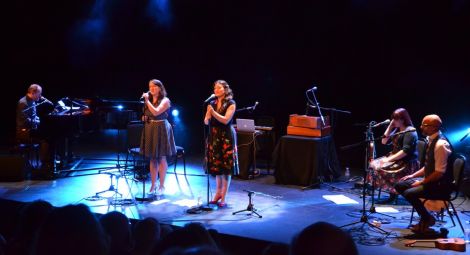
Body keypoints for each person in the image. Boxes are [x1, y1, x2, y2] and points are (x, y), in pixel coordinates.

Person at [395, 114, 454, 233]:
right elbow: (428, 166)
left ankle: (426, 219)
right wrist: (412, 176)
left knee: (409, 193)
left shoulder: (440, 145)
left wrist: (421, 182)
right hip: (432, 181)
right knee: (399, 185)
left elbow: (439, 173)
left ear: (434, 127)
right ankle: (426, 217)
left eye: (424, 125)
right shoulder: (431, 140)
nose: (421, 127)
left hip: (441, 186)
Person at [369, 108, 419, 204]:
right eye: (393, 119)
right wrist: (390, 127)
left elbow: (405, 152)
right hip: (396, 159)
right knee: (373, 164)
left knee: (379, 167)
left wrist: (388, 160)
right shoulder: (397, 129)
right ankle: (390, 191)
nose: (393, 121)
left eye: (396, 119)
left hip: (406, 163)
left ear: (403, 119)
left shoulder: (410, 131)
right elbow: (383, 141)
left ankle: (394, 193)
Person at [204, 80, 239, 208]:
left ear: (225, 90)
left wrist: (213, 112)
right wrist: (208, 115)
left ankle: (224, 196)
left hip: (226, 137)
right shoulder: (212, 103)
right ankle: (217, 193)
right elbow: (206, 122)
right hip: (214, 136)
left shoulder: (231, 103)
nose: (216, 90)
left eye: (219, 88)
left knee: (226, 168)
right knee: (217, 167)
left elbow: (225, 120)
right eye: (215, 88)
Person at [140, 79, 176, 195]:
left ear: (160, 88)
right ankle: (153, 184)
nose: (152, 89)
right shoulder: (149, 100)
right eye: (150, 86)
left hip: (161, 128)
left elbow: (156, 112)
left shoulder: (165, 100)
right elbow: (148, 114)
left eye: (154, 86)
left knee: (161, 157)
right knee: (152, 157)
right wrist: (144, 118)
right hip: (150, 128)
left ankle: (162, 185)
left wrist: (146, 101)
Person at [16, 84, 54, 176]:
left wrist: (38, 120)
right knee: (45, 140)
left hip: (31, 129)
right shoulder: (23, 103)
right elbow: (26, 121)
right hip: (24, 131)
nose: (40, 96)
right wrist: (38, 122)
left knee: (49, 137)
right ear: (33, 92)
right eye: (39, 94)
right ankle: (43, 164)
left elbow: (34, 116)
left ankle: (49, 160)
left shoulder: (32, 101)